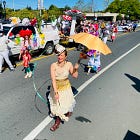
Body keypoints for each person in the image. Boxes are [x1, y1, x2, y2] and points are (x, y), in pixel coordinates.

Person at [49, 44, 79, 131]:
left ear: (66, 56)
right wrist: (56, 92)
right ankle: (58, 122)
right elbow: (53, 80)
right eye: (59, 55)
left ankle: (57, 122)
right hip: (56, 88)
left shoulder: (69, 64)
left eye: (62, 55)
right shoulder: (53, 65)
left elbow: (75, 76)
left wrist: (76, 68)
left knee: (64, 105)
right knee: (58, 106)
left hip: (66, 88)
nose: (60, 57)